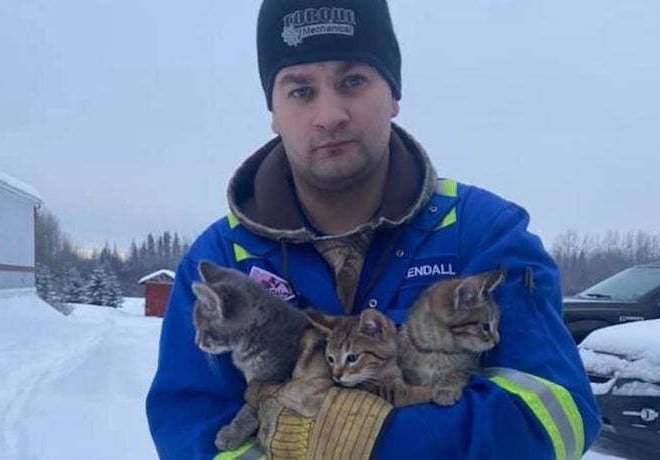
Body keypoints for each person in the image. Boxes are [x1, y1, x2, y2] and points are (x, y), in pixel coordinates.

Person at [146, 0, 602, 458]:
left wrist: (374, 440)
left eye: (353, 81)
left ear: (394, 95)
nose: (330, 115)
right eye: (301, 91)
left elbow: (558, 413)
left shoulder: (483, 233)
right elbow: (189, 426)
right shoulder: (222, 261)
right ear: (274, 112)